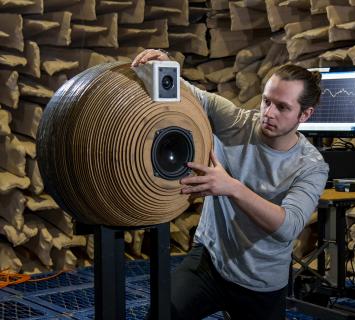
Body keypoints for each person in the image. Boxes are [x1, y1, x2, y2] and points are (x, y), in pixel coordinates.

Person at [131, 49, 329, 320]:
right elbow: (191, 95)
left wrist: (232, 187)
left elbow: (287, 227)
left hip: (262, 281)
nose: (269, 113)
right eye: (266, 101)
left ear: (304, 115)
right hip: (211, 260)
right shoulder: (237, 122)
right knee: (163, 313)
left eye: (282, 107)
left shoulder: (312, 165)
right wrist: (166, 66)